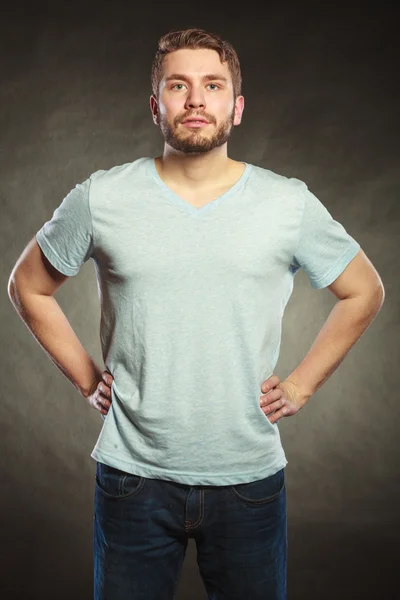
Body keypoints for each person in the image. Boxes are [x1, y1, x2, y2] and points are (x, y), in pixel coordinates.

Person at [8, 27, 384, 600]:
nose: (195, 100)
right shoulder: (101, 197)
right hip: (132, 477)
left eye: (212, 85)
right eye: (178, 85)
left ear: (236, 106)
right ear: (156, 105)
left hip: (249, 479)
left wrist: (303, 385)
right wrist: (87, 378)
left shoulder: (287, 203)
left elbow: (364, 290)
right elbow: (28, 286)